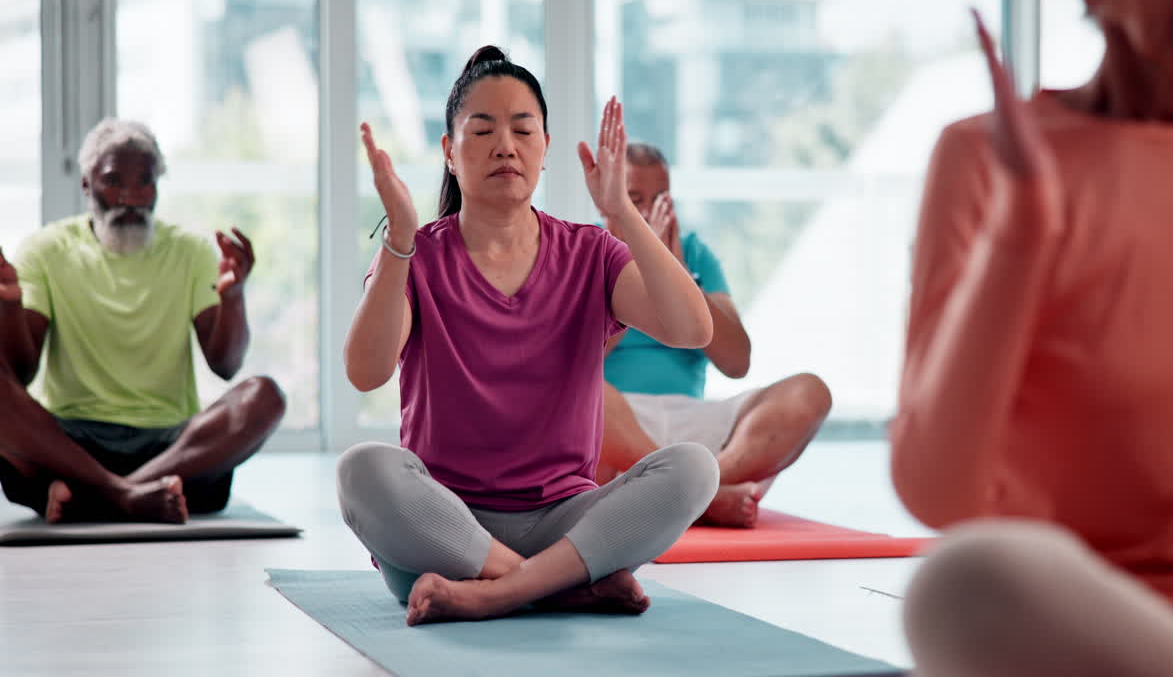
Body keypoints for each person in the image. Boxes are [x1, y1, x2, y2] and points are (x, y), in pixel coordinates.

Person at [892, 0, 1173, 675]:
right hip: (1068, 629)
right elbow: (936, 491)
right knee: (963, 581)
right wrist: (1022, 228)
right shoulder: (983, 156)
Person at [336, 46, 720, 625]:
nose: (505, 146)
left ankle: (494, 593)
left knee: (695, 469)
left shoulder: (591, 253)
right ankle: (556, 587)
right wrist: (399, 240)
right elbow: (366, 371)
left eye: (523, 129)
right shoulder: (418, 257)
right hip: (445, 530)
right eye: (482, 129)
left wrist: (622, 212)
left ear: (544, 149)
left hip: (564, 523)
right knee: (360, 471)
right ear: (449, 152)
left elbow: (693, 329)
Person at [0, 119, 285, 525]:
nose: (130, 197)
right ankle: (132, 496)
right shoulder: (45, 250)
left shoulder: (190, 250)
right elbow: (20, 373)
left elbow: (226, 365)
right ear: (86, 184)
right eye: (114, 181)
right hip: (72, 444)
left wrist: (233, 298)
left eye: (144, 183)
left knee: (266, 395)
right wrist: (10, 305)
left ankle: (102, 497)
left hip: (172, 448)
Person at [597, 143, 831, 528]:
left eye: (659, 199)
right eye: (634, 199)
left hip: (695, 429)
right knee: (582, 396)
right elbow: (572, 359)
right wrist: (639, 271)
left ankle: (693, 492)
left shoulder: (695, 255)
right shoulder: (590, 249)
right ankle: (700, 497)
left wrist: (677, 276)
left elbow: (737, 362)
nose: (647, 212)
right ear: (610, 201)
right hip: (620, 428)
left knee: (808, 393)